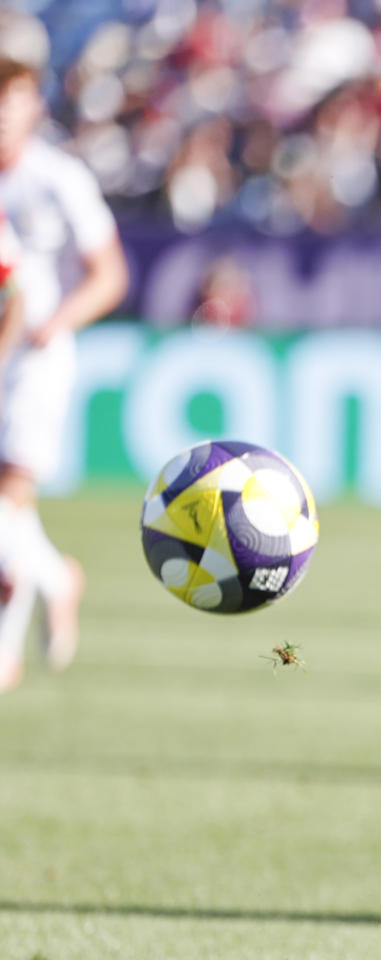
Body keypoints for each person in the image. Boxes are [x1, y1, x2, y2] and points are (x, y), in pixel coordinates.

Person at [0, 57, 126, 692]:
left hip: (34, 355)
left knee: (11, 492)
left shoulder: (57, 179)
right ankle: (56, 576)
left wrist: (58, 322)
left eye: (10, 99)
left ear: (32, 108)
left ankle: (4, 647)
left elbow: (109, 274)